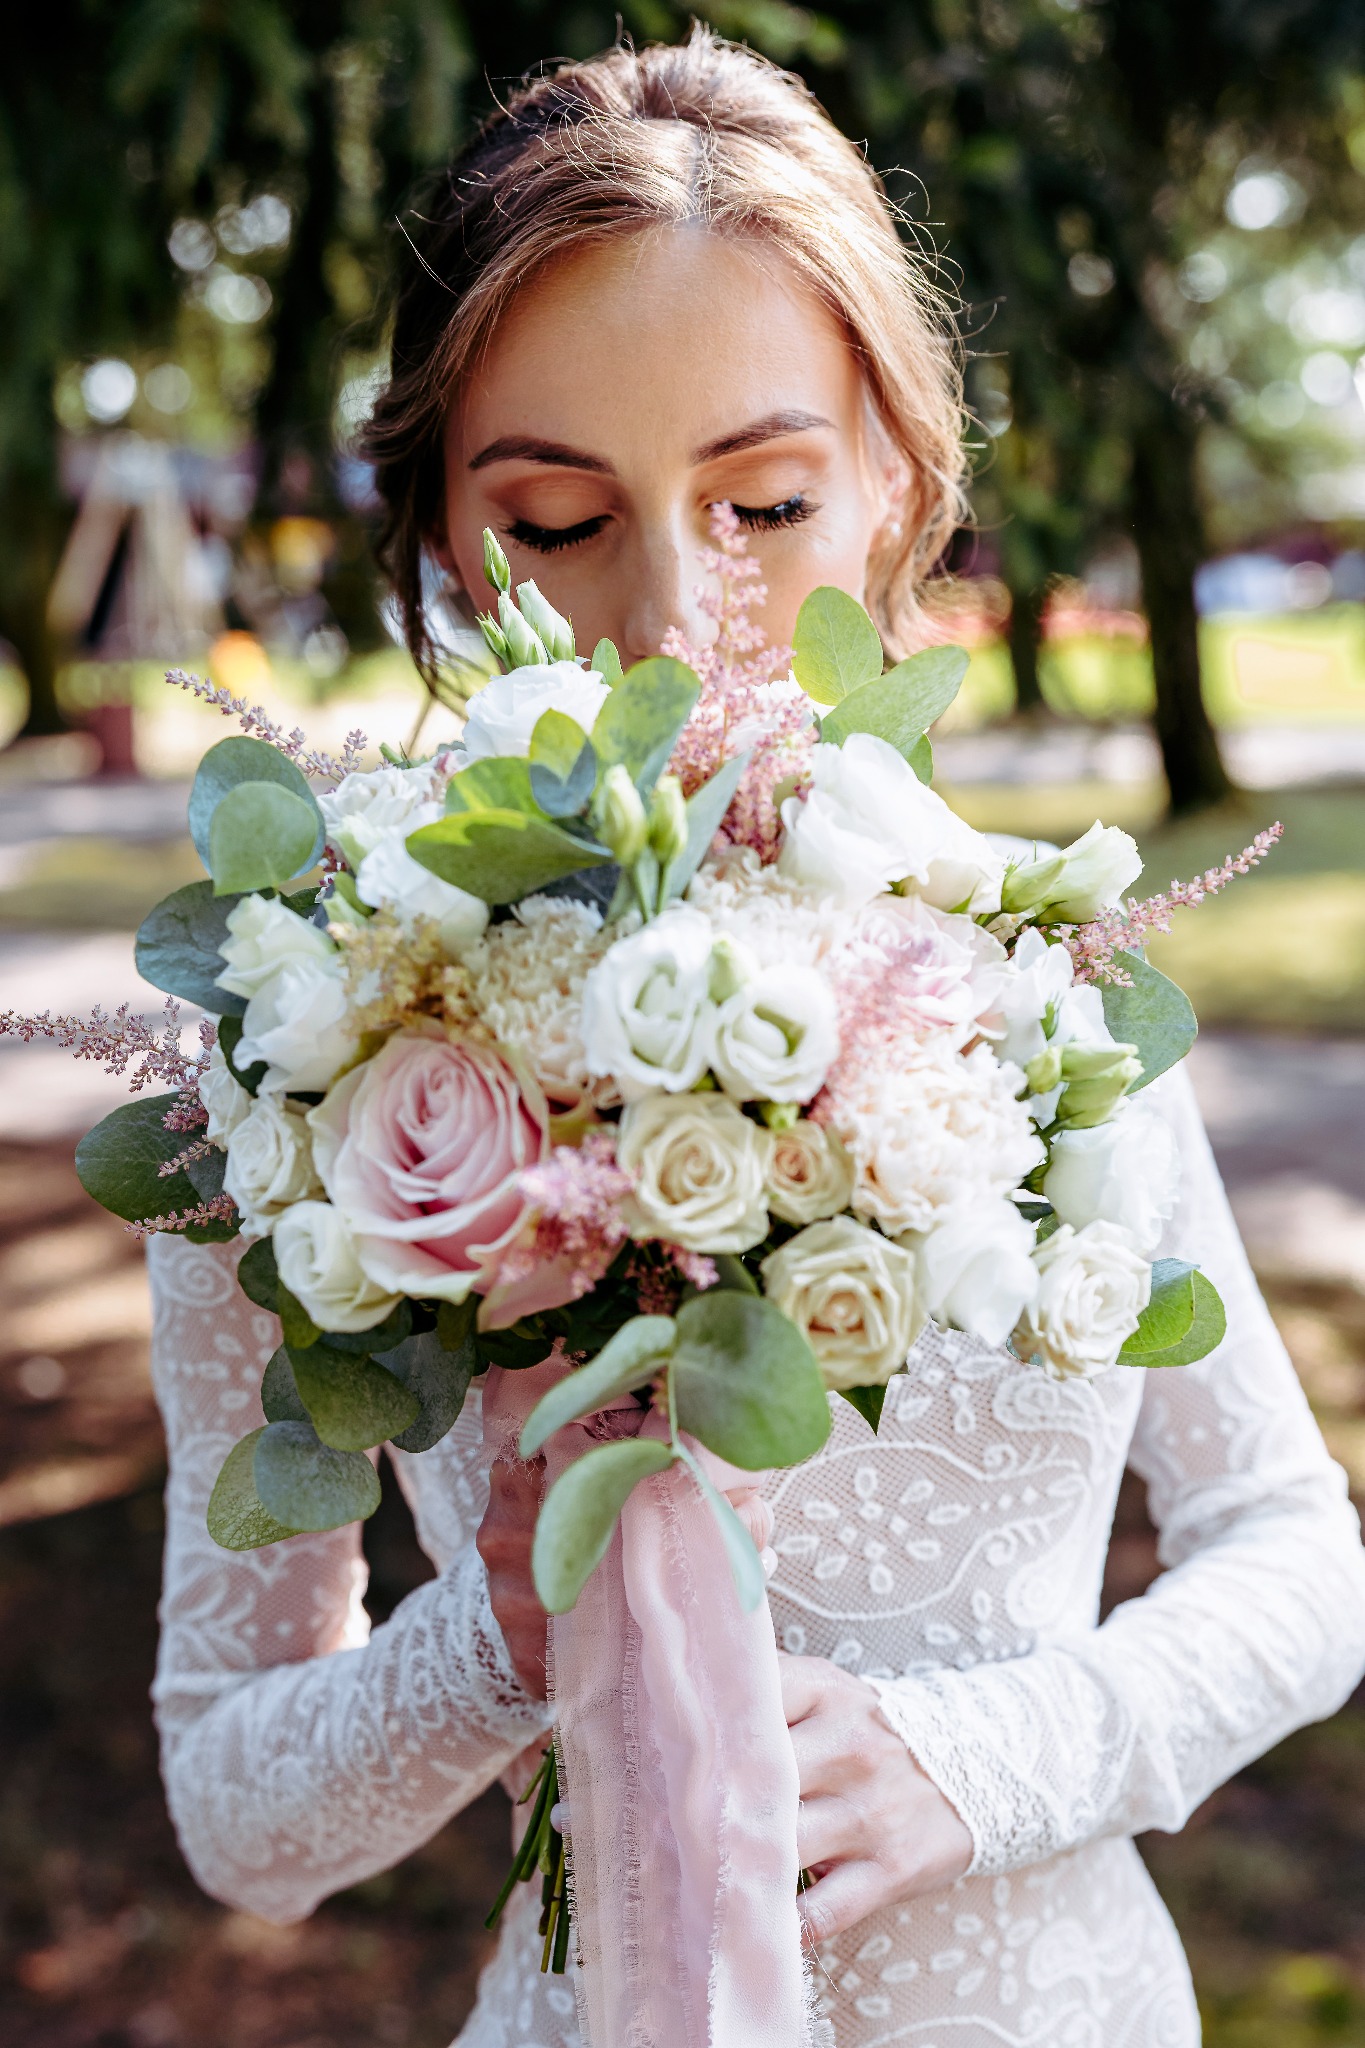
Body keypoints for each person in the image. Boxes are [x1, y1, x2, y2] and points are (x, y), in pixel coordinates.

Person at [147, 31, 1365, 2047]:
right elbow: (238, 1817)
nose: (667, 622)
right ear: (453, 534)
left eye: (766, 498)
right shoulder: (308, 1056)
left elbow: (1294, 1555)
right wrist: (489, 1640)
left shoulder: (1036, 970)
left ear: (894, 471)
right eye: (552, 521)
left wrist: (996, 1759)